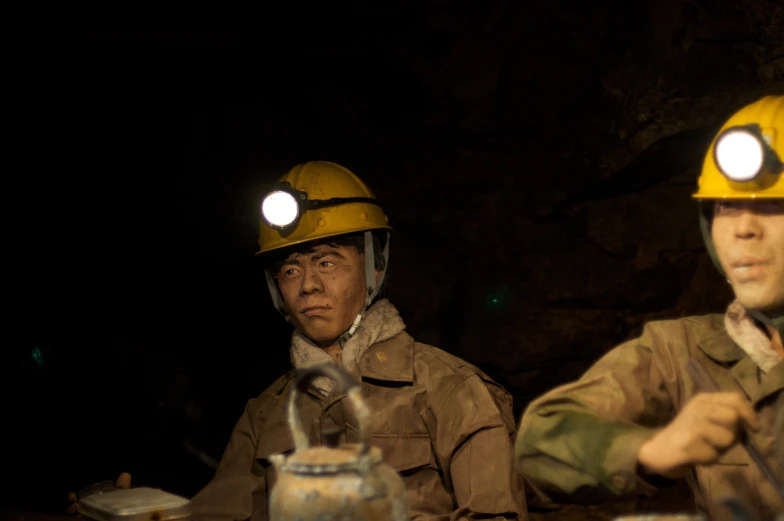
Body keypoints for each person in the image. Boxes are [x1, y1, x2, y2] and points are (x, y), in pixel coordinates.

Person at [189, 161, 527, 521]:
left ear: (374, 269)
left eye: (327, 263)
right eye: (290, 270)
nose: (308, 285)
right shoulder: (264, 415)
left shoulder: (451, 390)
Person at [515, 95, 784, 520]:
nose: (743, 229)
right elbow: (542, 439)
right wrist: (652, 450)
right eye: (726, 207)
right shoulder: (683, 351)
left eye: (772, 205)